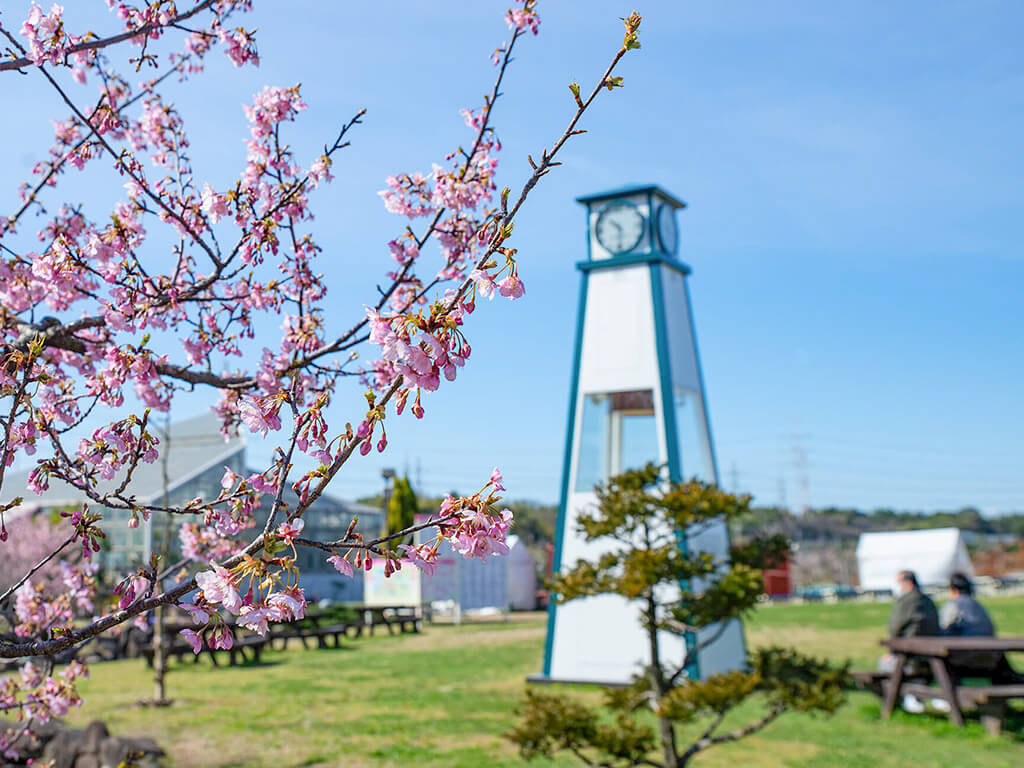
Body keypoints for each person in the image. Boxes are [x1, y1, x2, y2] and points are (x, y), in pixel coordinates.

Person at [940, 572, 1020, 685]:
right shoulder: (979, 607)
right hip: (991, 661)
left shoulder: (952, 606)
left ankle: (947, 693)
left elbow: (942, 632)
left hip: (965, 661)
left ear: (954, 590)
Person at [882, 570, 940, 713]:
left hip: (910, 656)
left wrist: (892, 652)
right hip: (933, 656)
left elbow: (895, 627)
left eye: (899, 583)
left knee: (885, 664)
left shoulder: (906, 601)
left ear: (908, 583)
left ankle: (894, 704)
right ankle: (916, 699)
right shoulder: (928, 601)